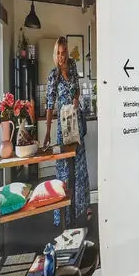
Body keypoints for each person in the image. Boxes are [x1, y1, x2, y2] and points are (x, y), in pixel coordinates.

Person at [42, 36, 90, 229]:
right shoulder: (53, 75)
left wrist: (77, 99)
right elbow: (49, 105)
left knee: (80, 167)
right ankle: (63, 214)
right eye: (59, 53)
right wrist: (47, 131)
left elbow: (77, 90)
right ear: (55, 54)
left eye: (64, 52)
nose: (62, 56)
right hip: (63, 126)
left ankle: (83, 206)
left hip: (76, 122)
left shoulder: (72, 67)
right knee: (64, 169)